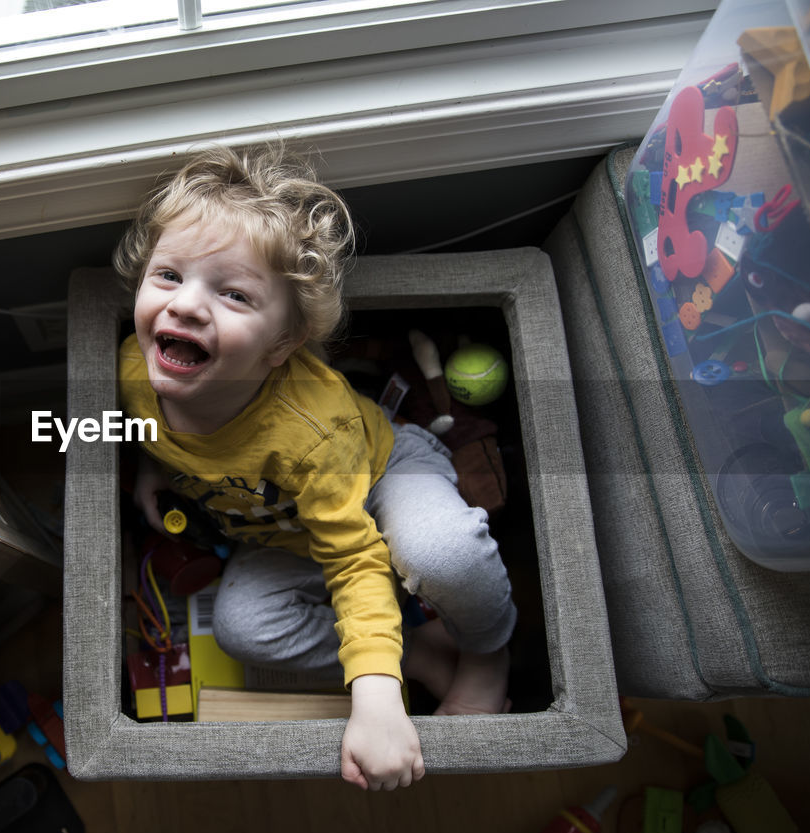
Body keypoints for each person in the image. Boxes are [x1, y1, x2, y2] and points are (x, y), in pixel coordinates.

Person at [115, 144, 516, 791]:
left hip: (381, 474)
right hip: (286, 529)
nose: (185, 305)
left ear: (280, 345)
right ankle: (419, 651)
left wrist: (377, 702)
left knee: (444, 554)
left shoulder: (309, 430)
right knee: (244, 627)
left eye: (234, 294)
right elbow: (119, 421)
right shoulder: (134, 370)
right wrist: (146, 463)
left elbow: (353, 559)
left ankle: (487, 646)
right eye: (168, 276)